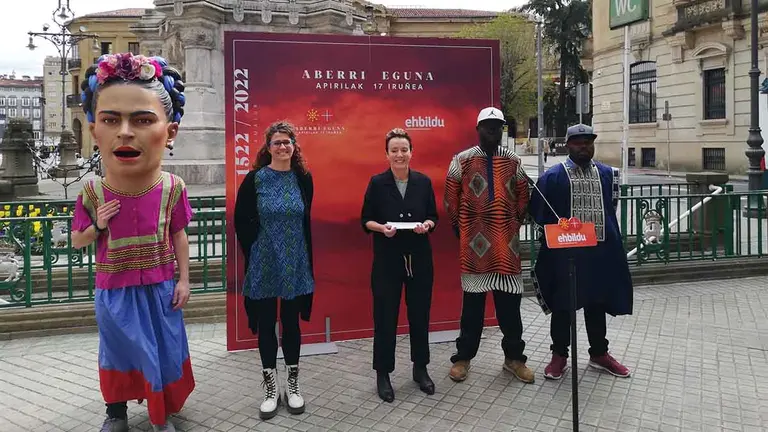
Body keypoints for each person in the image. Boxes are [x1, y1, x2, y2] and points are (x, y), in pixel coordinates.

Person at [71, 53, 194, 432]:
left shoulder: (173, 187)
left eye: (142, 120)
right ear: (95, 131)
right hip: (115, 289)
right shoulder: (92, 192)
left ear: (170, 132)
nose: (125, 132)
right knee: (118, 350)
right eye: (111, 120)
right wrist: (98, 225)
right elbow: (77, 241)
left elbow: (178, 234)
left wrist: (184, 280)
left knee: (164, 348)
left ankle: (161, 412)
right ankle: (116, 413)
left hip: (160, 286)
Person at [530, 123, 633, 380]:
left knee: (597, 303)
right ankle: (559, 355)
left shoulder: (608, 174)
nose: (584, 146)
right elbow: (538, 214)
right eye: (578, 142)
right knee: (563, 306)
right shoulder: (553, 177)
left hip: (599, 253)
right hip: (566, 255)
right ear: (568, 145)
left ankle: (599, 353)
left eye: (588, 142)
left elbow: (610, 209)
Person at [444, 107, 535, 384]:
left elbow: (523, 196)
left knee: (510, 309)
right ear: (478, 129)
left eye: (498, 126)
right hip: (475, 249)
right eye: (488, 125)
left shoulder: (514, 161)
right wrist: (463, 229)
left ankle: (514, 359)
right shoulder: (461, 160)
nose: (493, 130)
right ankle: (463, 358)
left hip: (507, 248)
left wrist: (512, 225)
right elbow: (450, 198)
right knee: (472, 310)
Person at [234, 121, 314, 420]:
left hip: (295, 261)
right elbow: (241, 220)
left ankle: (292, 387)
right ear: (268, 148)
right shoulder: (255, 179)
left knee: (291, 323)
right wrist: (257, 248)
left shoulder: (303, 178)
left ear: (294, 146)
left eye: (287, 142)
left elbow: (304, 218)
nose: (283, 147)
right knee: (266, 322)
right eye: (277, 142)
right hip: (264, 260)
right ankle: (270, 389)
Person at [360, 128, 439, 402]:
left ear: (411, 152)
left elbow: (433, 216)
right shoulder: (377, 183)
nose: (399, 155)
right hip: (387, 260)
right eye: (394, 150)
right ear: (386, 154)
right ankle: (383, 374)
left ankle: (421, 369)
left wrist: (427, 225)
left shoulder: (423, 182)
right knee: (385, 318)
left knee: (420, 315)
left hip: (420, 258)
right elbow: (366, 220)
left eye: (404, 149)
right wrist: (382, 228)